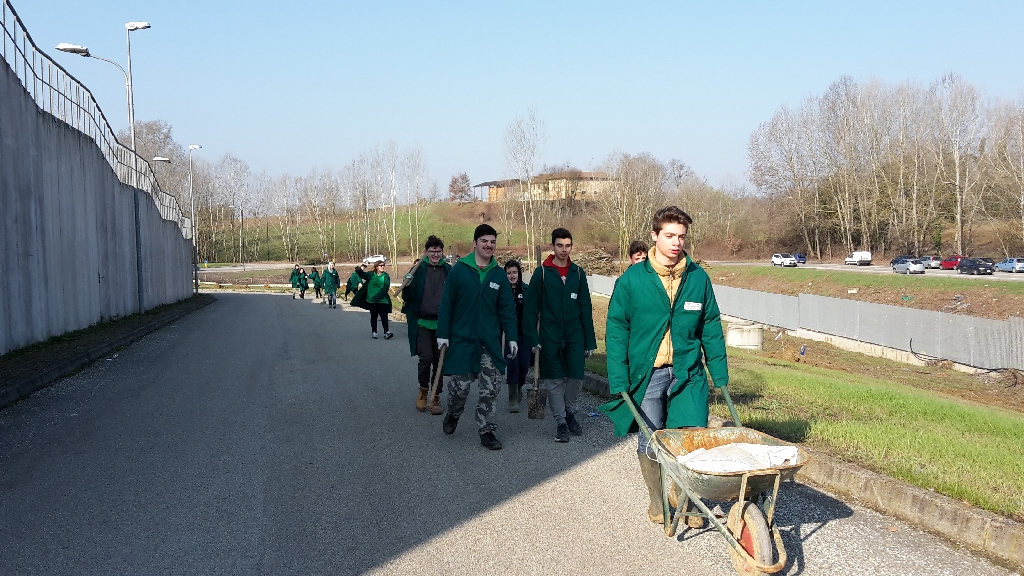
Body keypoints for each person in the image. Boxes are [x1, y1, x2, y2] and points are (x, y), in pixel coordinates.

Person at [599, 206, 729, 527]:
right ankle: (658, 500)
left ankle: (686, 499)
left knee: (690, 439)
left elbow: (710, 325)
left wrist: (719, 373)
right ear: (654, 236)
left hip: (688, 372)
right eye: (669, 236)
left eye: (681, 237)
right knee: (652, 440)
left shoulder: (697, 278)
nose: (676, 243)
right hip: (649, 374)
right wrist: (618, 375)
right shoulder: (632, 280)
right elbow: (617, 328)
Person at [436, 224, 518, 450]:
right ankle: (453, 413)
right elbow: (446, 304)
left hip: (489, 341)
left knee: (490, 387)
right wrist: (443, 333)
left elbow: (507, 310)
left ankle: (487, 429)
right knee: (460, 387)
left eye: (492, 241)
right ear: (475, 243)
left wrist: (511, 337)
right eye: (484, 241)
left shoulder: (498, 274)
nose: (489, 245)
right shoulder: (459, 270)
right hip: (462, 339)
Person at [523, 228, 597, 442]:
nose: (564, 250)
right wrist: (534, 340)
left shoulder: (578, 273)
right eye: (559, 245)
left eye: (567, 245)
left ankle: (570, 411)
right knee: (554, 379)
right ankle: (561, 422)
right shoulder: (543, 273)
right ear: (552, 246)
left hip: (575, 334)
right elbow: (530, 309)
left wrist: (589, 340)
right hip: (550, 334)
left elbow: (585, 307)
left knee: (576, 376)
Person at [401, 235, 452, 415]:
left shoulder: (449, 270)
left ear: (442, 252)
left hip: (442, 324)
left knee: (440, 361)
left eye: (438, 251)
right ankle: (423, 391)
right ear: (426, 252)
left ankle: (435, 397)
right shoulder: (418, 270)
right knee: (426, 359)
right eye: (432, 251)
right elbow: (408, 298)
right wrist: (407, 285)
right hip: (422, 322)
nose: (435, 254)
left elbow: (456, 295)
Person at [503, 259, 531, 413]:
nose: (512, 276)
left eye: (514, 272)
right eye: (509, 273)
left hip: (524, 333)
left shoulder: (526, 290)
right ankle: (512, 398)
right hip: (508, 335)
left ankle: (519, 386)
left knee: (524, 365)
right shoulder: (503, 291)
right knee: (512, 365)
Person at [352, 260, 394, 339]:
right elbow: (362, 274)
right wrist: (358, 269)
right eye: (381, 265)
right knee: (374, 316)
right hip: (371, 300)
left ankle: (386, 332)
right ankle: (374, 332)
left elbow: (386, 287)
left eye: (383, 265)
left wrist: (378, 297)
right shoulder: (370, 274)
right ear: (376, 267)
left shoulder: (386, 276)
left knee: (384, 316)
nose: (383, 267)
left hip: (382, 299)